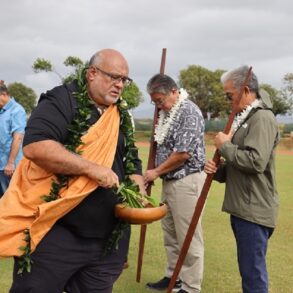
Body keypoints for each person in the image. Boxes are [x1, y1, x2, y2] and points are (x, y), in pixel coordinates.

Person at [0, 49, 144, 293]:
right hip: (55, 234)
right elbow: (35, 145)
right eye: (114, 77)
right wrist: (91, 169)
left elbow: (131, 160)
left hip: (107, 240)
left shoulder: (120, 112)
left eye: (124, 80)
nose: (120, 85)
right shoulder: (61, 100)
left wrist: (137, 188)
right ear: (92, 73)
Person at [204, 65, 279, 293]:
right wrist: (218, 171)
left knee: (253, 275)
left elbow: (256, 162)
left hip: (254, 210)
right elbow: (241, 164)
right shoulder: (247, 117)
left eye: (229, 96)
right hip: (243, 208)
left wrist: (225, 146)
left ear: (245, 89)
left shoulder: (262, 118)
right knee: (248, 271)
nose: (228, 101)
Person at [144, 74, 206, 293]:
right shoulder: (165, 113)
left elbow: (182, 154)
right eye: (154, 102)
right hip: (170, 181)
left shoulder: (188, 111)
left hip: (186, 180)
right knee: (170, 232)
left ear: (173, 91)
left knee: (188, 235)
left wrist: (155, 172)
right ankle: (174, 277)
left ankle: (190, 287)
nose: (158, 105)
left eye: (160, 100)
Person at [0, 81, 26, 197]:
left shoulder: (17, 111)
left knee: (8, 198)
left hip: (8, 167)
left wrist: (10, 163)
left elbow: (18, 138)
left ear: (4, 95)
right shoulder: (1, 111)